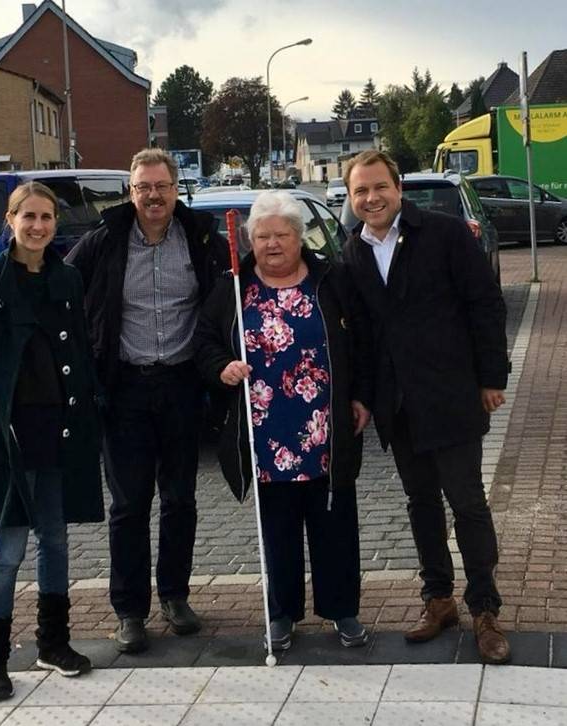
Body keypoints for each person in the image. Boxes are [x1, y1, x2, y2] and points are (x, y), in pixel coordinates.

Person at [341, 149, 511, 664]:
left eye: (379, 187)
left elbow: (485, 303)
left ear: (399, 188)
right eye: (360, 192)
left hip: (452, 393)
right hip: (400, 405)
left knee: (467, 503)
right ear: (351, 199)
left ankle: (484, 608)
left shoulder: (444, 233)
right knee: (421, 505)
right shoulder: (355, 251)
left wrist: (491, 377)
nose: (371, 198)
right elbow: (365, 335)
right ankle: (438, 599)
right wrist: (365, 398)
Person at [0, 182, 104, 700]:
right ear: (10, 220)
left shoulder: (67, 278)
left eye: (47, 218)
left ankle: (52, 643)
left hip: (60, 429)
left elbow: (79, 350)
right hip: (8, 436)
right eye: (28, 216)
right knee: (7, 548)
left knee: (55, 541)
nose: (38, 227)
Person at [66, 148, 229, 653]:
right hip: (125, 389)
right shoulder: (103, 242)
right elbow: (61, 291)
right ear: (130, 192)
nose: (153, 196)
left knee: (180, 498)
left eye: (161, 186)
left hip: (182, 384)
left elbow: (232, 298)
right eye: (143, 188)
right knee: (129, 504)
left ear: (176, 189)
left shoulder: (201, 240)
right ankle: (130, 611)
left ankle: (175, 596)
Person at [194, 191, 372, 650]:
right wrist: (223, 367)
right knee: (278, 529)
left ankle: (342, 610)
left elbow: (365, 342)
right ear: (251, 239)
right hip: (265, 430)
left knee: (333, 523)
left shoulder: (330, 280)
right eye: (263, 236)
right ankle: (281, 613)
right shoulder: (235, 286)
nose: (272, 244)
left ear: (299, 237)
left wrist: (363, 396)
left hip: (324, 425)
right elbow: (206, 340)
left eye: (282, 235)